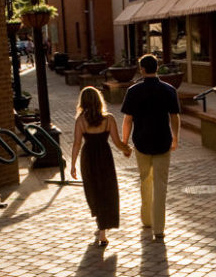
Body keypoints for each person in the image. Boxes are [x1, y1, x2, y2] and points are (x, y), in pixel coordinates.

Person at [120, 54, 180, 240]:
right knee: (161, 185)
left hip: (141, 142)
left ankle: (147, 219)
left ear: (142, 69)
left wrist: (124, 143)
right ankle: (159, 229)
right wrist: (176, 137)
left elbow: (127, 120)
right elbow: (175, 116)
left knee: (145, 180)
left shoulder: (133, 91)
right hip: (163, 141)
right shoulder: (169, 90)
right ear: (157, 68)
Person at [70, 86, 131, 247]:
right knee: (107, 190)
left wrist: (73, 165)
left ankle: (101, 227)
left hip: (88, 156)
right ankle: (103, 228)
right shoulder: (109, 119)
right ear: (99, 100)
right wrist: (127, 149)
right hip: (105, 156)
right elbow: (117, 142)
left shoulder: (81, 120)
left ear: (82, 102)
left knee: (93, 190)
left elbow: (76, 144)